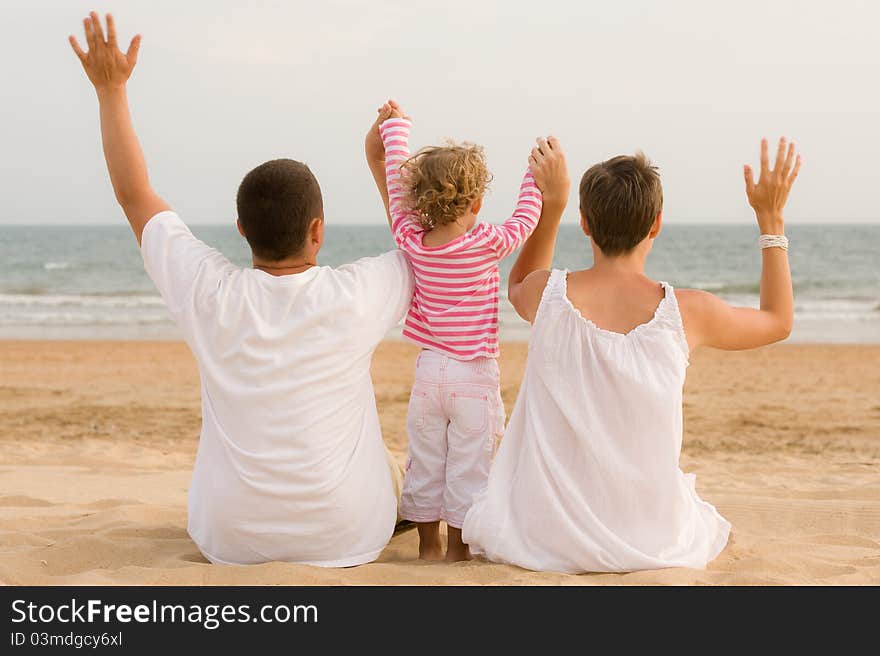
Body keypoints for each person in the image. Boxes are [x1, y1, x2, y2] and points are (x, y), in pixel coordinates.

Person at [69, 13, 413, 567]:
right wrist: (380, 161)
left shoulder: (209, 293)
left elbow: (135, 195)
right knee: (394, 464)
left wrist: (111, 91)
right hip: (346, 537)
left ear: (241, 232)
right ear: (318, 231)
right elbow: (420, 248)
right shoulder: (358, 294)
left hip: (228, 539)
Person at [462, 135, 801, 573]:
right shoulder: (688, 312)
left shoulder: (546, 294)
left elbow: (516, 285)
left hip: (547, 536)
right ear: (656, 223)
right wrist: (770, 219)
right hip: (652, 538)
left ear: (584, 223)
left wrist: (553, 206)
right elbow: (778, 321)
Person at [364, 101, 543, 560]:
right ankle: (458, 553)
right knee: (469, 465)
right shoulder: (485, 244)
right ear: (478, 202)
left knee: (425, 462)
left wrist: (396, 127)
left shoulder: (410, 238)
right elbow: (526, 220)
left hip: (429, 374)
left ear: (419, 201)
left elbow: (396, 189)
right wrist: (534, 172)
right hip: (473, 376)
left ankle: (428, 547)